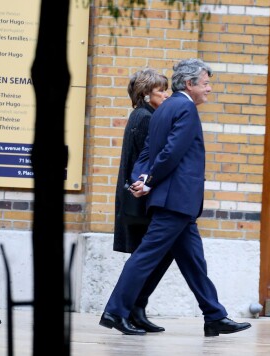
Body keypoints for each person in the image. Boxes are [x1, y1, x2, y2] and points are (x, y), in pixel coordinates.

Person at [99, 58, 251, 336]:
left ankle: (214, 315)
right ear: (190, 84)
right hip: (175, 201)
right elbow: (171, 152)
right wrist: (150, 180)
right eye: (205, 83)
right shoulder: (185, 108)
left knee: (194, 262)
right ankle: (115, 311)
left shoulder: (164, 108)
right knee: (144, 257)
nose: (209, 89)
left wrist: (142, 178)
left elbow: (148, 152)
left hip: (176, 202)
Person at [113, 68, 171, 332]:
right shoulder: (146, 118)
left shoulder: (144, 115)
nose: (167, 94)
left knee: (152, 257)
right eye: (162, 90)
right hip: (141, 199)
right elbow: (149, 161)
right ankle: (124, 312)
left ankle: (136, 309)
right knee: (143, 259)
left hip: (139, 197)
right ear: (147, 94)